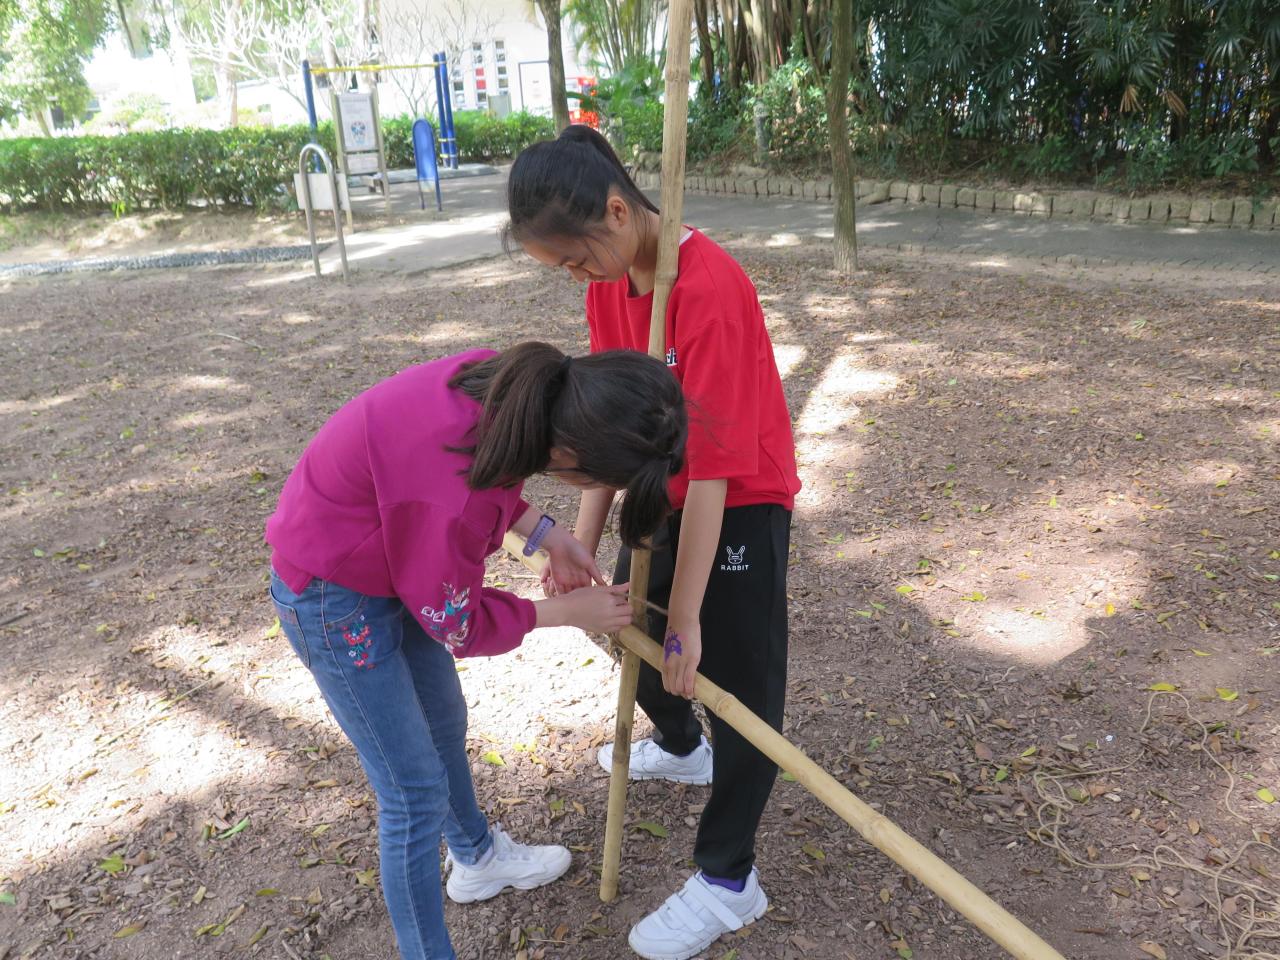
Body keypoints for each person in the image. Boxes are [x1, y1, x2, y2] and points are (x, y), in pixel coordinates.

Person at [265, 341, 688, 960]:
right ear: (569, 454)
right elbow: (455, 623)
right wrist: (565, 612)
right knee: (412, 794)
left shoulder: (517, 386)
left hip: (386, 560)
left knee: (443, 723)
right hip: (334, 598)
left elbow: (489, 479)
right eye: (600, 480)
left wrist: (548, 534)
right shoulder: (453, 497)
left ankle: (477, 857)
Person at [506, 127, 802, 960]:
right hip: (660, 487)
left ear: (615, 210)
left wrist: (693, 615)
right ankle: (680, 742)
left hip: (737, 499)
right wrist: (577, 545)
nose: (577, 278)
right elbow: (606, 432)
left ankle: (729, 877)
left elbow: (714, 475)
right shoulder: (610, 288)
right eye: (562, 270)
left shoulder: (709, 288)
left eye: (575, 261)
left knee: (736, 681)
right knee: (627, 624)